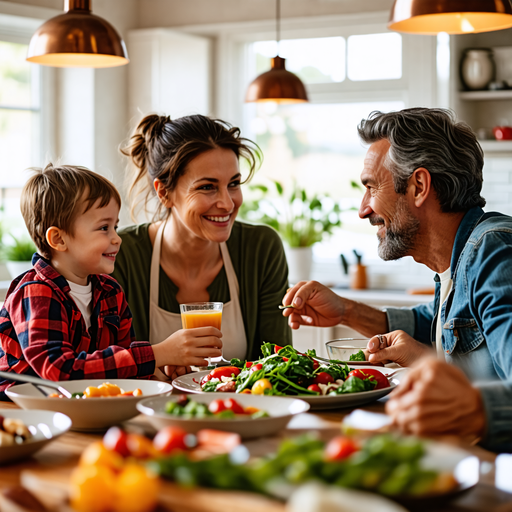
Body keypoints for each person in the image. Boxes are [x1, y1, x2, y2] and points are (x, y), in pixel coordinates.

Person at [282, 107, 512, 452]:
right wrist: (346, 311)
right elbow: (440, 324)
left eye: (371, 187)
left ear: (418, 186)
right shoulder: (457, 258)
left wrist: (473, 408)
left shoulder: (493, 252)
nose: (363, 209)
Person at [0, 164, 210, 398]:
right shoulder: (35, 293)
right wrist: (157, 353)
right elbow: (58, 372)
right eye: (103, 228)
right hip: (22, 410)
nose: (117, 239)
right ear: (58, 239)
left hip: (84, 404)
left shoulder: (110, 291)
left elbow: (120, 365)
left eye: (115, 227)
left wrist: (158, 370)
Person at [112, 114, 291, 377]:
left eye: (233, 184)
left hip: (242, 413)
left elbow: (279, 365)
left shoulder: (261, 248)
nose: (228, 204)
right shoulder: (121, 252)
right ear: (164, 192)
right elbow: (105, 368)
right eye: (207, 187)